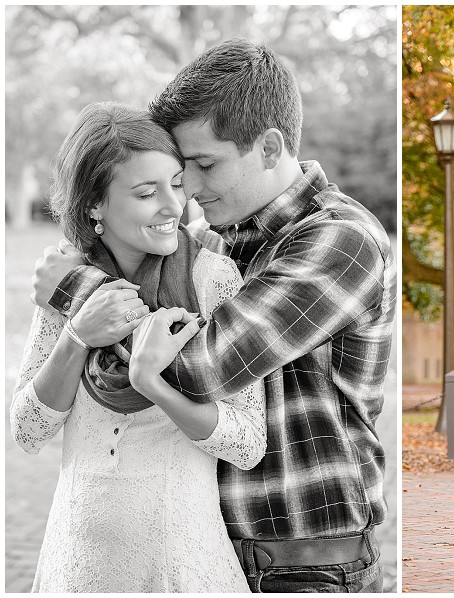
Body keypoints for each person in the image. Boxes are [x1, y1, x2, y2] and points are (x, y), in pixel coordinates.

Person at [31, 39, 395, 593]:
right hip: (208, 552)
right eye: (183, 172)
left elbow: (201, 365)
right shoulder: (207, 245)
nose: (190, 194)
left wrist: (75, 289)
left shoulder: (339, 240)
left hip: (304, 560)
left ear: (270, 148)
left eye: (204, 165)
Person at [11, 103, 267, 592]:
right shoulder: (66, 286)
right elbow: (26, 430)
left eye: (176, 184)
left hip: (179, 559)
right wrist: (78, 336)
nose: (173, 206)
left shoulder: (212, 279)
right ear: (94, 205)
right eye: (147, 193)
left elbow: (247, 441)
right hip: (76, 560)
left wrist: (150, 382)